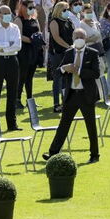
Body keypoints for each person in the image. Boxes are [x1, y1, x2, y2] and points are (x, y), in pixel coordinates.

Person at [42, 28, 101, 163]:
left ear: (85, 39)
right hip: (71, 95)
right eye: (76, 37)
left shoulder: (92, 53)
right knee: (64, 124)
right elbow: (57, 72)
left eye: (81, 36)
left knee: (90, 125)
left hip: (86, 94)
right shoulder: (69, 53)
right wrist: (64, 68)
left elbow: (95, 73)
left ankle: (94, 155)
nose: (79, 39)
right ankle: (53, 153)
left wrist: (79, 71)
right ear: (73, 39)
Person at [0, 5, 22, 132]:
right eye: (4, 13)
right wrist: (8, 45)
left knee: (12, 92)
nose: (7, 15)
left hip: (12, 61)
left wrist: (3, 48)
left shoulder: (15, 28)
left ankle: (12, 124)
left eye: (9, 12)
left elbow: (18, 46)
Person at [14, 0, 42, 107]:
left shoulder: (34, 19)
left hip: (34, 51)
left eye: (33, 7)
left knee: (30, 77)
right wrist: (31, 40)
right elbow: (18, 36)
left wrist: (39, 41)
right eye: (30, 7)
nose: (32, 9)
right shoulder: (19, 20)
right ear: (23, 7)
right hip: (24, 51)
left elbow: (38, 32)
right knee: (22, 76)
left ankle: (30, 100)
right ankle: (17, 99)